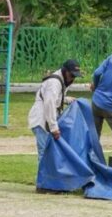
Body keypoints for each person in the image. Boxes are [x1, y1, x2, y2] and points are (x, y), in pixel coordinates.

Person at [28, 59, 82, 192]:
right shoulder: (54, 83)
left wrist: (68, 100)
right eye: (72, 75)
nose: (73, 78)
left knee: (49, 153)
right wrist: (54, 127)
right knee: (44, 154)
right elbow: (49, 104)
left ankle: (48, 184)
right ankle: (43, 185)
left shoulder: (60, 81)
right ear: (65, 71)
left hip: (45, 120)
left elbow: (56, 99)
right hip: (42, 120)